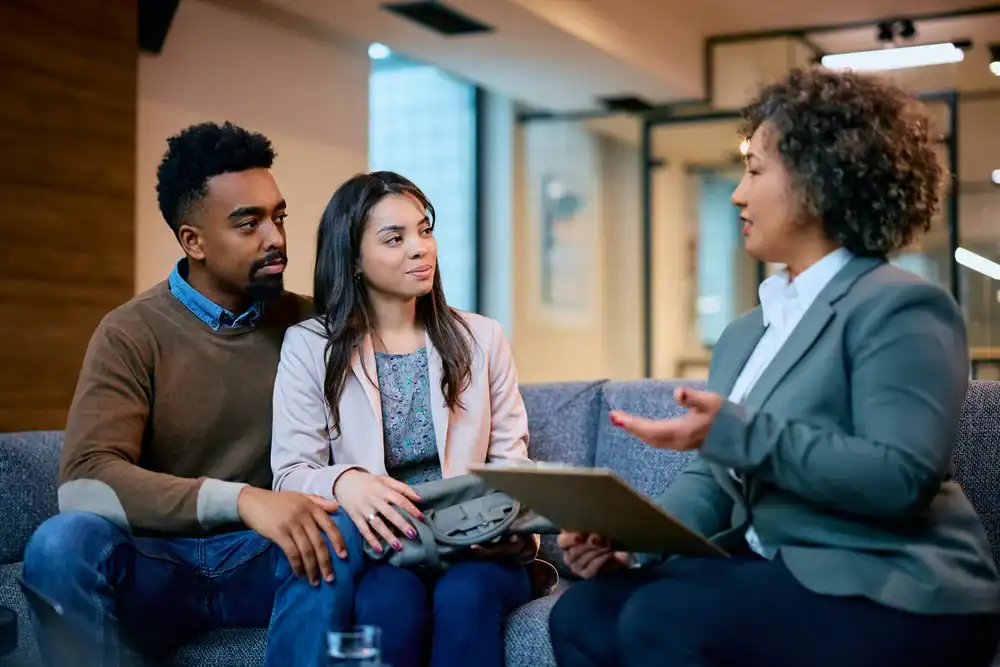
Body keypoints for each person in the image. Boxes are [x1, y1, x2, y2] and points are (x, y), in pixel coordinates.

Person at [548, 68, 1000, 667]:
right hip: (779, 571)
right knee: (582, 612)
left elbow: (901, 477)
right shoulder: (746, 333)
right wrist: (631, 543)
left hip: (892, 584)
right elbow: (713, 485)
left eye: (756, 170)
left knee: (663, 621)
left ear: (821, 180)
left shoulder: (900, 305)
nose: (737, 193)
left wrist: (738, 433)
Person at [20, 121, 365, 667]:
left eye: (278, 217)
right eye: (247, 223)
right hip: (159, 563)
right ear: (193, 241)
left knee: (341, 526)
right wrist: (243, 499)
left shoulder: (312, 324)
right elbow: (85, 483)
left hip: (268, 561)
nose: (275, 238)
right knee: (61, 544)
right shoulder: (130, 332)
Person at [270, 170, 535, 667]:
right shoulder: (309, 345)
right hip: (386, 549)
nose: (421, 248)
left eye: (424, 229)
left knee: (464, 599)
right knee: (386, 604)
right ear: (352, 260)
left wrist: (514, 525)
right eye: (396, 238)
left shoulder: (482, 338)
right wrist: (346, 481)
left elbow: (510, 461)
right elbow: (290, 473)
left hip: (475, 548)